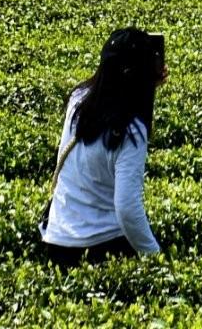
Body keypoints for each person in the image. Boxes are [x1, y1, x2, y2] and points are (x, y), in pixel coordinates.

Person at [40, 27, 166, 266]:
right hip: (102, 247)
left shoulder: (78, 99)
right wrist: (155, 258)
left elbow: (115, 96)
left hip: (57, 241)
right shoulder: (131, 131)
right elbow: (127, 208)